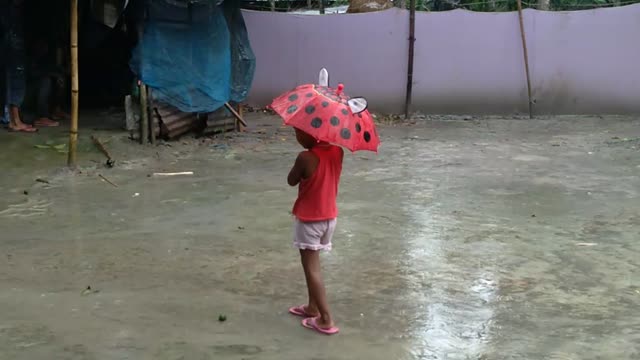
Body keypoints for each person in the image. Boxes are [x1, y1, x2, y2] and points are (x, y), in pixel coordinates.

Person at [287, 128, 343, 335]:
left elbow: (291, 180)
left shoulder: (305, 157)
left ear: (311, 134)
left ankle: (326, 319)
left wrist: (300, 169)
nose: (298, 138)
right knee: (311, 265)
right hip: (329, 217)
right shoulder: (338, 151)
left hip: (310, 220)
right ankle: (312, 307)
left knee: (312, 268)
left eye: (299, 134)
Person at [2, 0, 37, 132]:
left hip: (11, 41)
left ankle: (13, 120)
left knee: (13, 77)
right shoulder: (9, 9)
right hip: (12, 42)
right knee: (15, 77)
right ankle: (15, 121)